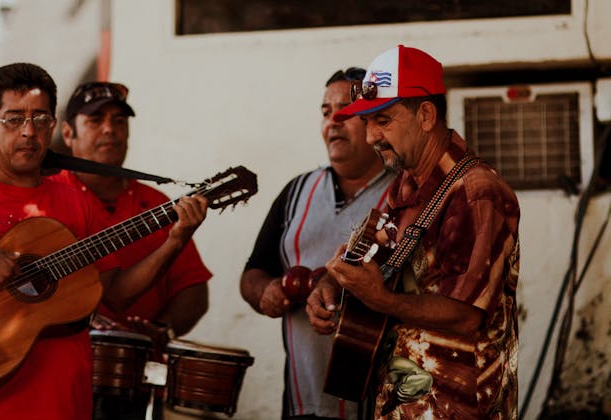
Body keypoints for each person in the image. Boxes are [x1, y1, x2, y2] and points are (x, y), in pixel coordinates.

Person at [0, 63, 208, 420]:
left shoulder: (76, 200)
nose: (29, 132)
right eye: (14, 119)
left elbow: (117, 293)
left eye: (40, 119)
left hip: (65, 402)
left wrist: (175, 240)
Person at [306, 45, 520, 419]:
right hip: (400, 406)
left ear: (425, 115)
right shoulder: (405, 187)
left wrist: (381, 300)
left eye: (383, 120)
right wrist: (331, 284)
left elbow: (466, 313)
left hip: (457, 408)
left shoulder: (475, 192)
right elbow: (373, 259)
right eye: (367, 121)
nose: (371, 136)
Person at [240, 67, 395, 420]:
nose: (333, 121)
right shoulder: (296, 192)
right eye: (326, 112)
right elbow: (252, 272)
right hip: (302, 401)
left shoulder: (403, 193)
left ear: (374, 121)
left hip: (381, 402)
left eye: (346, 110)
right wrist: (265, 291)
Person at [55, 81, 212, 419]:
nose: (110, 130)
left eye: (119, 121)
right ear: (68, 133)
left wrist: (159, 332)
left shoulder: (157, 205)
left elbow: (194, 291)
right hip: (54, 376)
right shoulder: (48, 198)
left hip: (132, 381)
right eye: (95, 121)